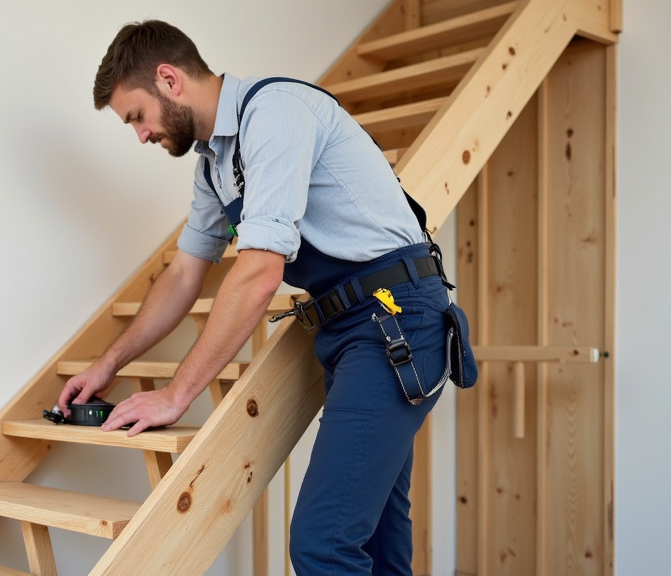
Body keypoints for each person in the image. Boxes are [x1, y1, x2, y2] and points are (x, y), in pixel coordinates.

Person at [58, 19, 462, 576]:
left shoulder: (277, 114)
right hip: (348, 327)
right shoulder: (213, 164)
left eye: (136, 117)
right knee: (377, 543)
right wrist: (108, 365)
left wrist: (177, 395)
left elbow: (259, 273)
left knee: (324, 545)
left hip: (395, 319)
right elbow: (183, 277)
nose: (141, 135)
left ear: (169, 80)